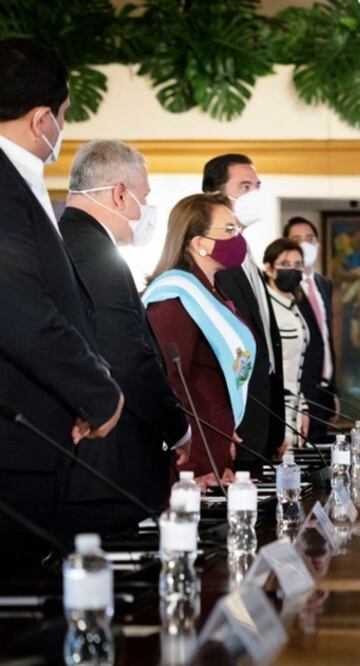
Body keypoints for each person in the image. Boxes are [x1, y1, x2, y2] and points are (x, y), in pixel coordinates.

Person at [0, 38, 123, 562]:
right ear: (41, 119)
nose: (60, 130)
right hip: (13, 444)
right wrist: (99, 394)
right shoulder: (4, 186)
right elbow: (20, 311)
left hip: (33, 438)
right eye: (64, 116)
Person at [58, 140, 192, 532]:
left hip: (80, 463)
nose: (145, 209)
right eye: (144, 197)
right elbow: (129, 358)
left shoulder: (62, 241)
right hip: (107, 467)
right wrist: (176, 427)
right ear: (120, 193)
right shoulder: (97, 254)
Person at [145, 193, 257, 490]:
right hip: (191, 453)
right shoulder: (174, 296)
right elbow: (168, 381)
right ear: (198, 243)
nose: (238, 238)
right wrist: (194, 450)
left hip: (216, 444)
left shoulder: (211, 293)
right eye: (229, 230)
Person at [203, 154, 284, 469]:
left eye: (258, 187)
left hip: (263, 417)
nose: (255, 195)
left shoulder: (246, 251)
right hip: (233, 424)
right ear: (215, 195)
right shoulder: (210, 259)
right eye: (245, 186)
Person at [285, 216, 339, 442]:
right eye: (297, 239)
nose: (305, 244)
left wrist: (333, 390)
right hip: (300, 391)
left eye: (310, 238)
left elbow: (325, 338)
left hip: (324, 390)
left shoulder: (323, 284)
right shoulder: (285, 286)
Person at [263, 239, 310, 454]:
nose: (292, 270)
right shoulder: (265, 307)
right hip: (275, 409)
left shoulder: (294, 303)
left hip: (296, 406)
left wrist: (303, 407)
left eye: (297, 264)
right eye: (285, 264)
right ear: (269, 269)